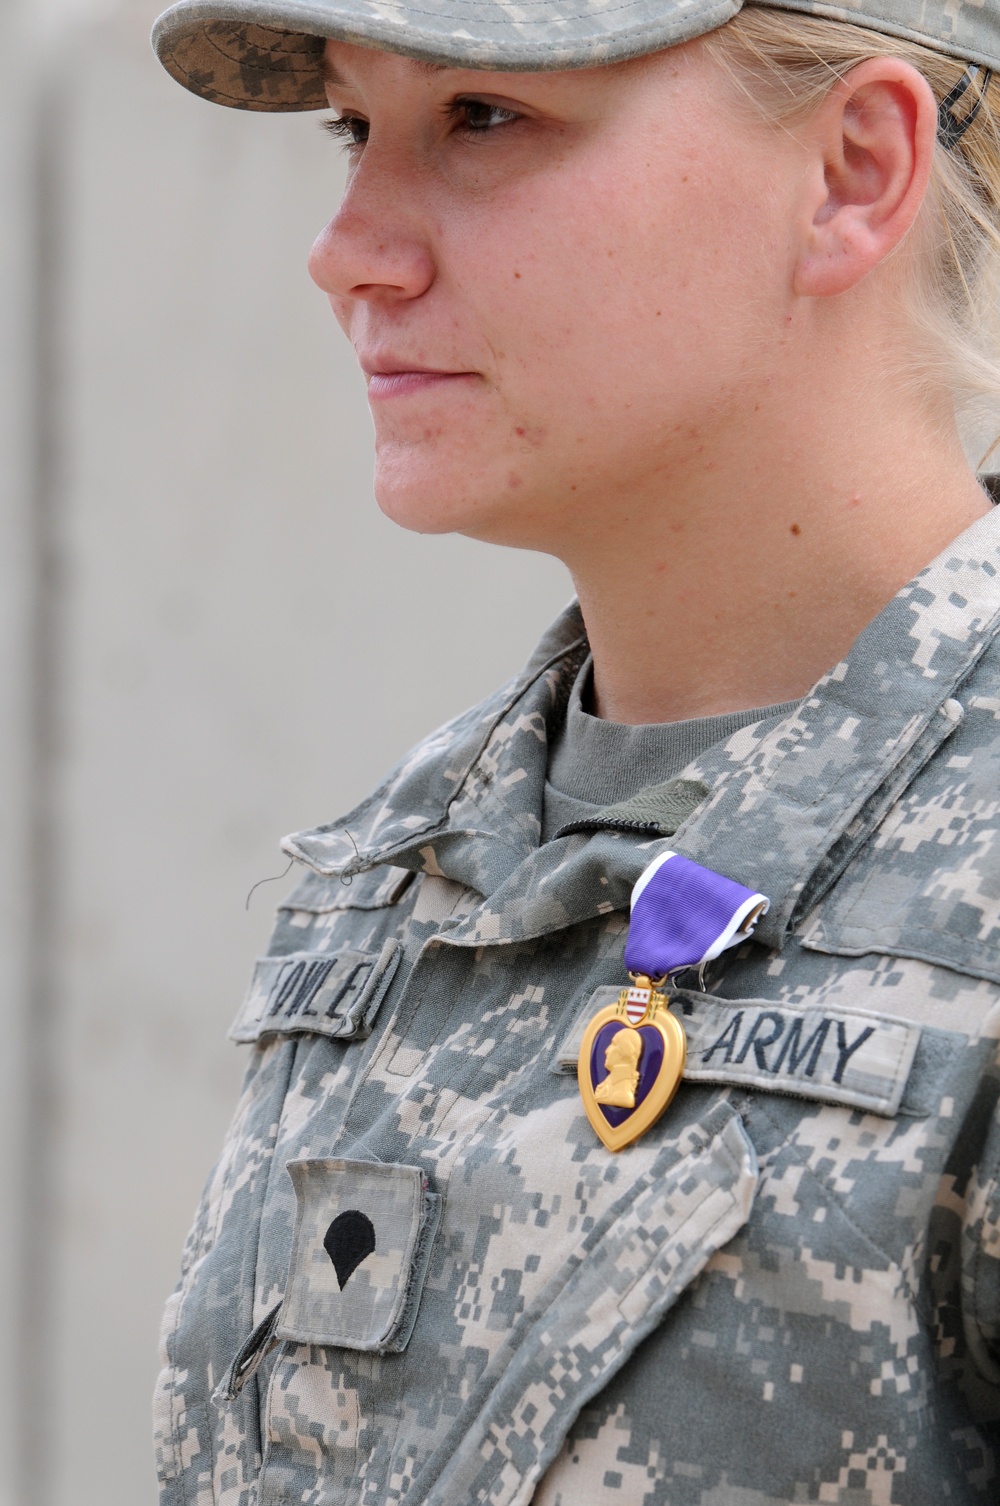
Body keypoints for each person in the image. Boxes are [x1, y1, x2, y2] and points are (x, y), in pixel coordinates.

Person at [150, 0, 1000, 1499]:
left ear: (854, 169)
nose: (348, 247)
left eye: (483, 115)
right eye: (356, 127)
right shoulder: (395, 870)